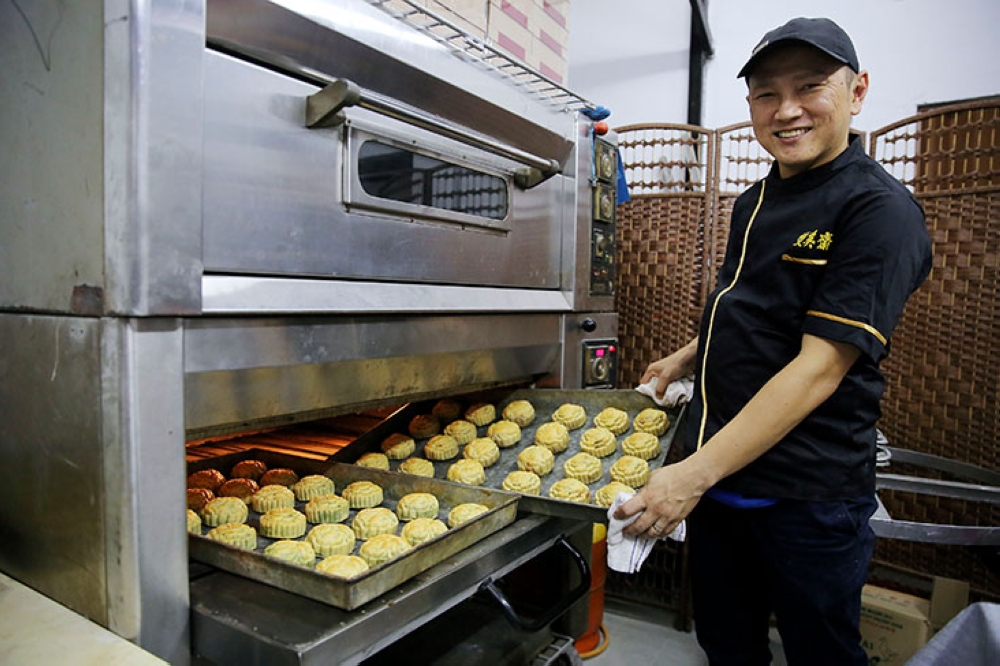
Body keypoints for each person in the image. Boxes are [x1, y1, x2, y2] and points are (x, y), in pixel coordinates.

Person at [616, 17, 932, 666]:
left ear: (857, 91)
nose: (786, 110)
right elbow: (754, 309)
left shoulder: (879, 211)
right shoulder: (756, 199)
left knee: (821, 654)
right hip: (723, 476)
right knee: (727, 645)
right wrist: (686, 354)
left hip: (806, 497)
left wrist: (689, 475)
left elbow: (819, 367)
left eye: (810, 87)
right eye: (767, 94)